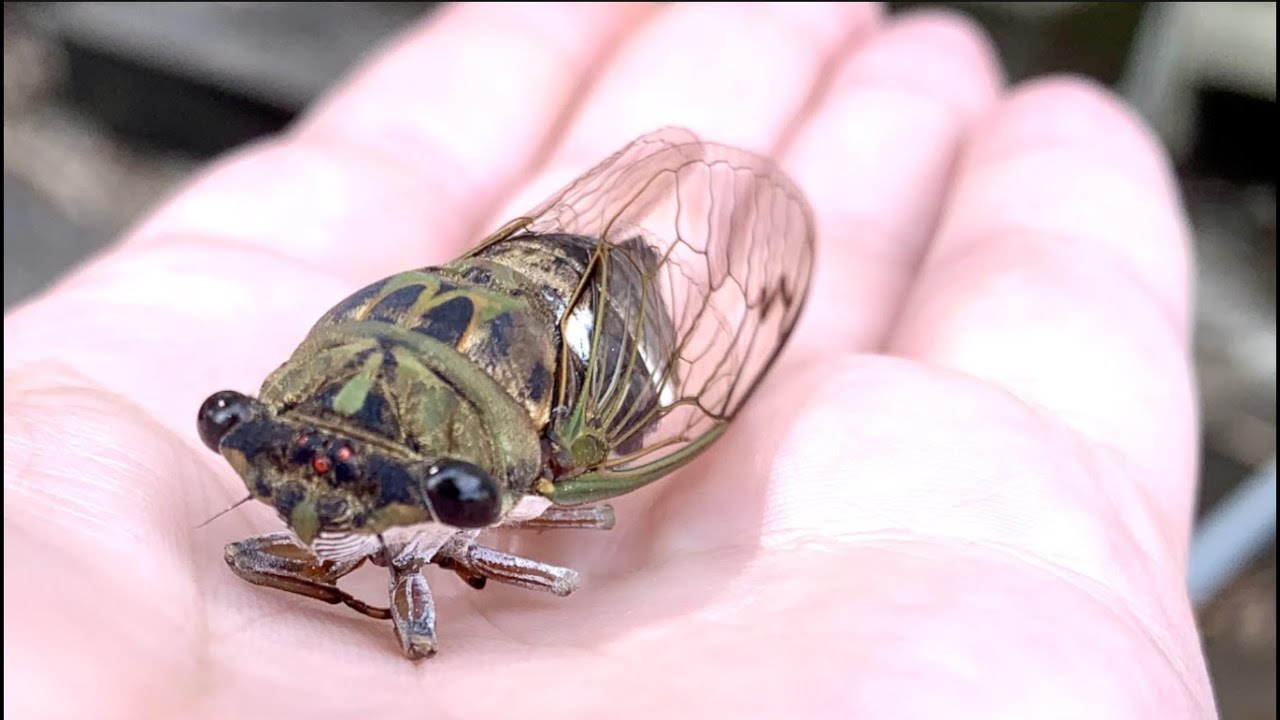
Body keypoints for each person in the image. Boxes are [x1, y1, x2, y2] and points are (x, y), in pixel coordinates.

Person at [3, 3, 1216, 718]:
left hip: (604, 367)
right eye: (241, 430)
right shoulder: (315, 443)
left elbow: (532, 505)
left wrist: (496, 504)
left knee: (648, 424)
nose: (305, 481)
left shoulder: (527, 475)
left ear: (487, 498)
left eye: (458, 498)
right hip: (499, 317)